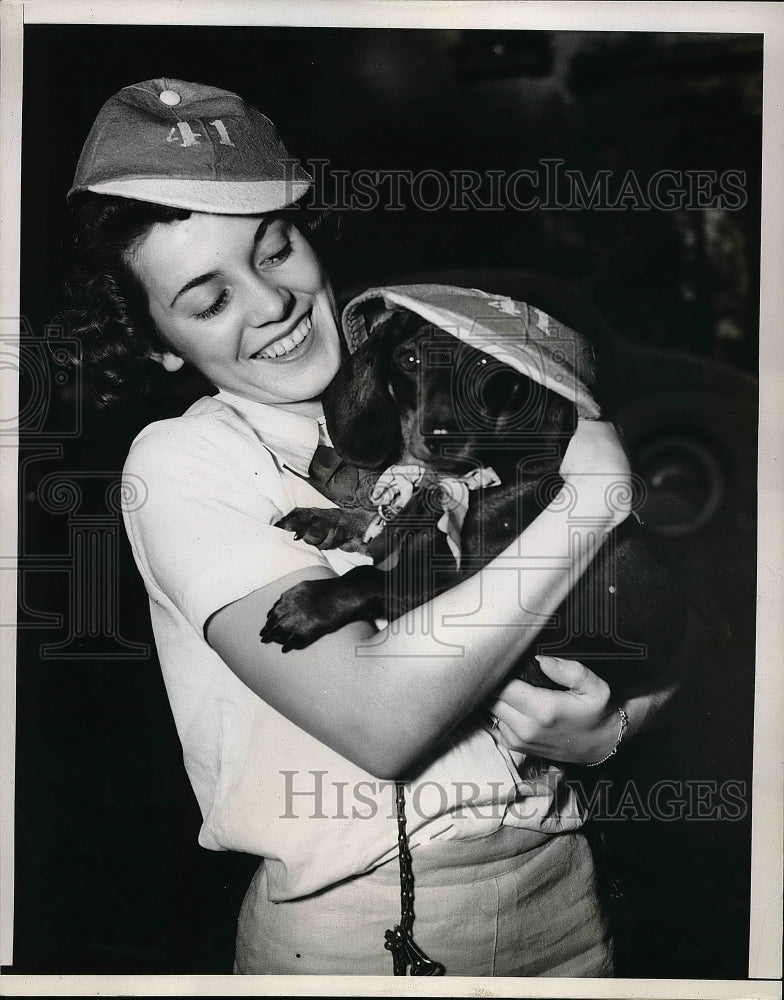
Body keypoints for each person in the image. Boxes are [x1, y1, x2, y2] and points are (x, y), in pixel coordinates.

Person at [60, 78, 684, 977]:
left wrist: (621, 725)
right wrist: (590, 504)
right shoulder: (183, 465)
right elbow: (381, 719)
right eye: (207, 301)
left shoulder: (456, 377)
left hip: (567, 902)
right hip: (355, 935)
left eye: (275, 251)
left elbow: (677, 611)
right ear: (157, 342)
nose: (269, 302)